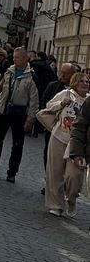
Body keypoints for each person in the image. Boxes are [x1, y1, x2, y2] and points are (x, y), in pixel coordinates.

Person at [41, 70, 90, 217]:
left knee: (73, 175)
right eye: (82, 81)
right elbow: (49, 106)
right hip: (59, 136)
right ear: (75, 82)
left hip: (78, 143)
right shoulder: (66, 94)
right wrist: (62, 103)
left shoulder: (88, 100)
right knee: (55, 172)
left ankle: (72, 199)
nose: (85, 84)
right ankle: (55, 205)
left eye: (87, 81)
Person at [0, 47, 39, 182]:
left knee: (17, 144)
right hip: (4, 110)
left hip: (20, 113)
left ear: (24, 58)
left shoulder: (32, 76)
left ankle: (12, 172)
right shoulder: (9, 72)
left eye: (17, 57)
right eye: (14, 57)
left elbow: (34, 101)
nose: (14, 59)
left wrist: (30, 119)